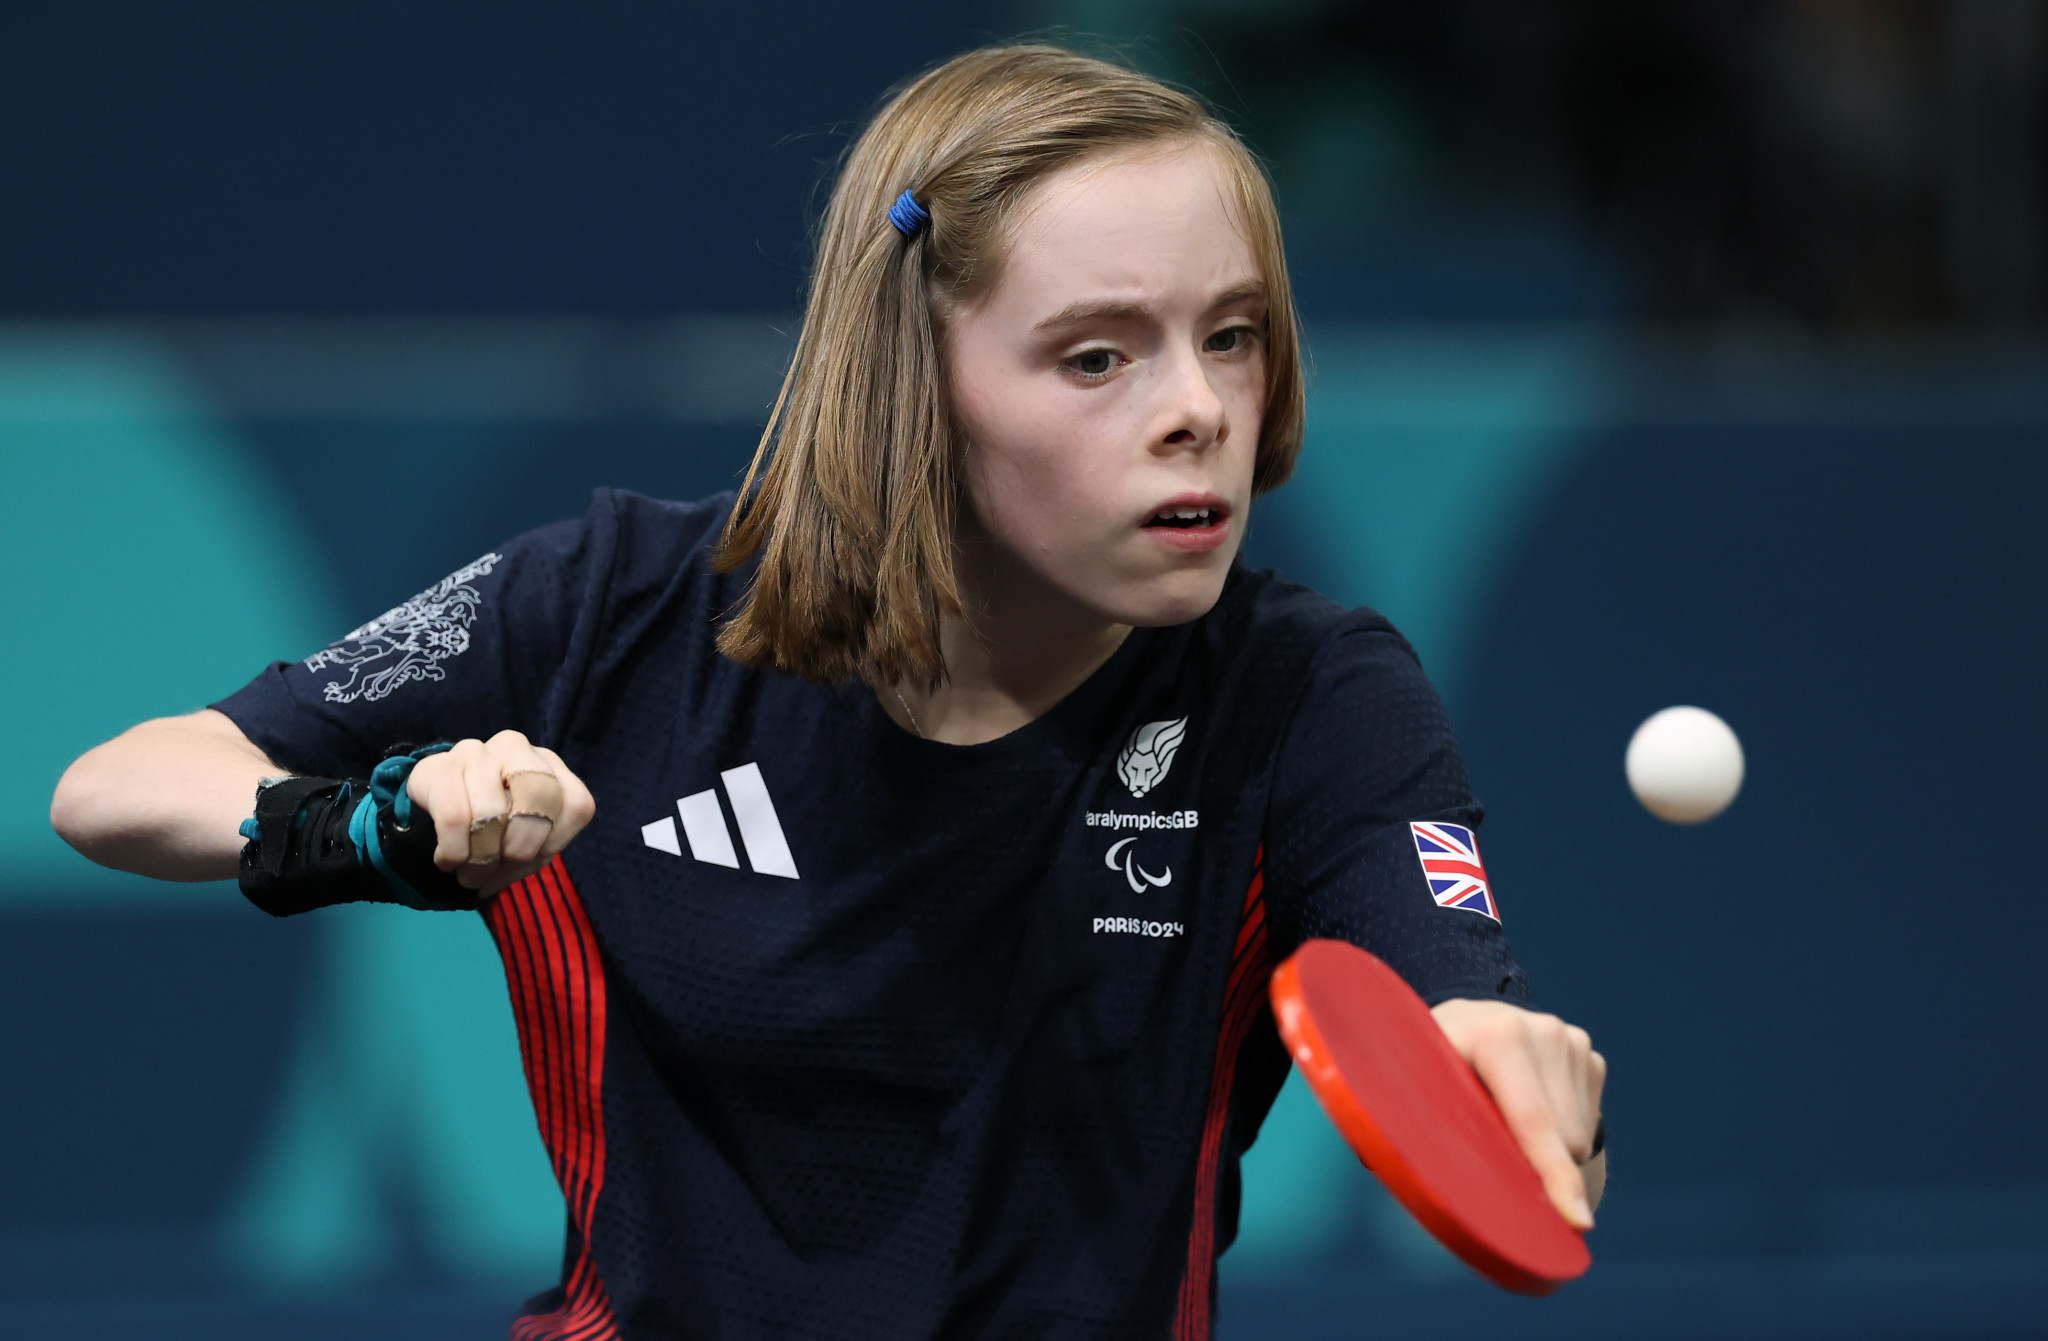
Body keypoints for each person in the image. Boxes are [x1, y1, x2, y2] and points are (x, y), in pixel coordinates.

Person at [51, 44, 1605, 1341]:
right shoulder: (614, 612)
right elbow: (120, 788)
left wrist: (1494, 1047)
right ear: (917, 378)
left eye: (1233, 337)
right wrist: (376, 821)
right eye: (1095, 357)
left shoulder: (1307, 691)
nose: (1197, 410)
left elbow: (1438, 981)